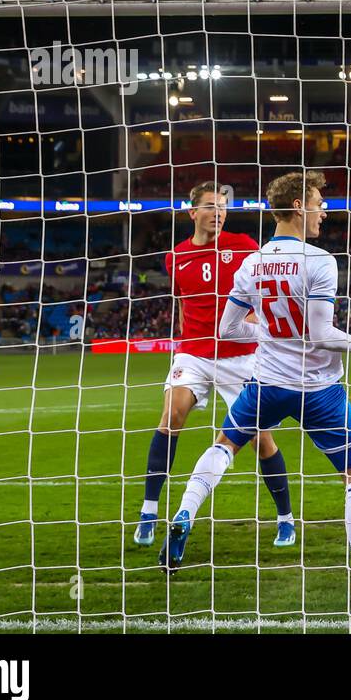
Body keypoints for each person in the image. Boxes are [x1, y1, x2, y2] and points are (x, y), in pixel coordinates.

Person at [159, 170, 351, 605]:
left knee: (225, 444)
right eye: (318, 202)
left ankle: (185, 511)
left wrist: (271, 335)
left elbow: (228, 326)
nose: (323, 210)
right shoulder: (319, 260)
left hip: (267, 383)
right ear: (298, 205)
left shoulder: (251, 263)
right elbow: (319, 335)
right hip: (319, 388)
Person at [135, 182, 293, 549]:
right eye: (210, 206)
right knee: (171, 416)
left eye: (222, 206)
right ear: (193, 213)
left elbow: (261, 292)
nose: (217, 212)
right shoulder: (176, 258)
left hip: (242, 356)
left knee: (260, 439)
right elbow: (182, 305)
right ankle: (148, 511)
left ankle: (285, 518)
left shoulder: (245, 247)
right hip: (194, 354)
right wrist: (182, 341)